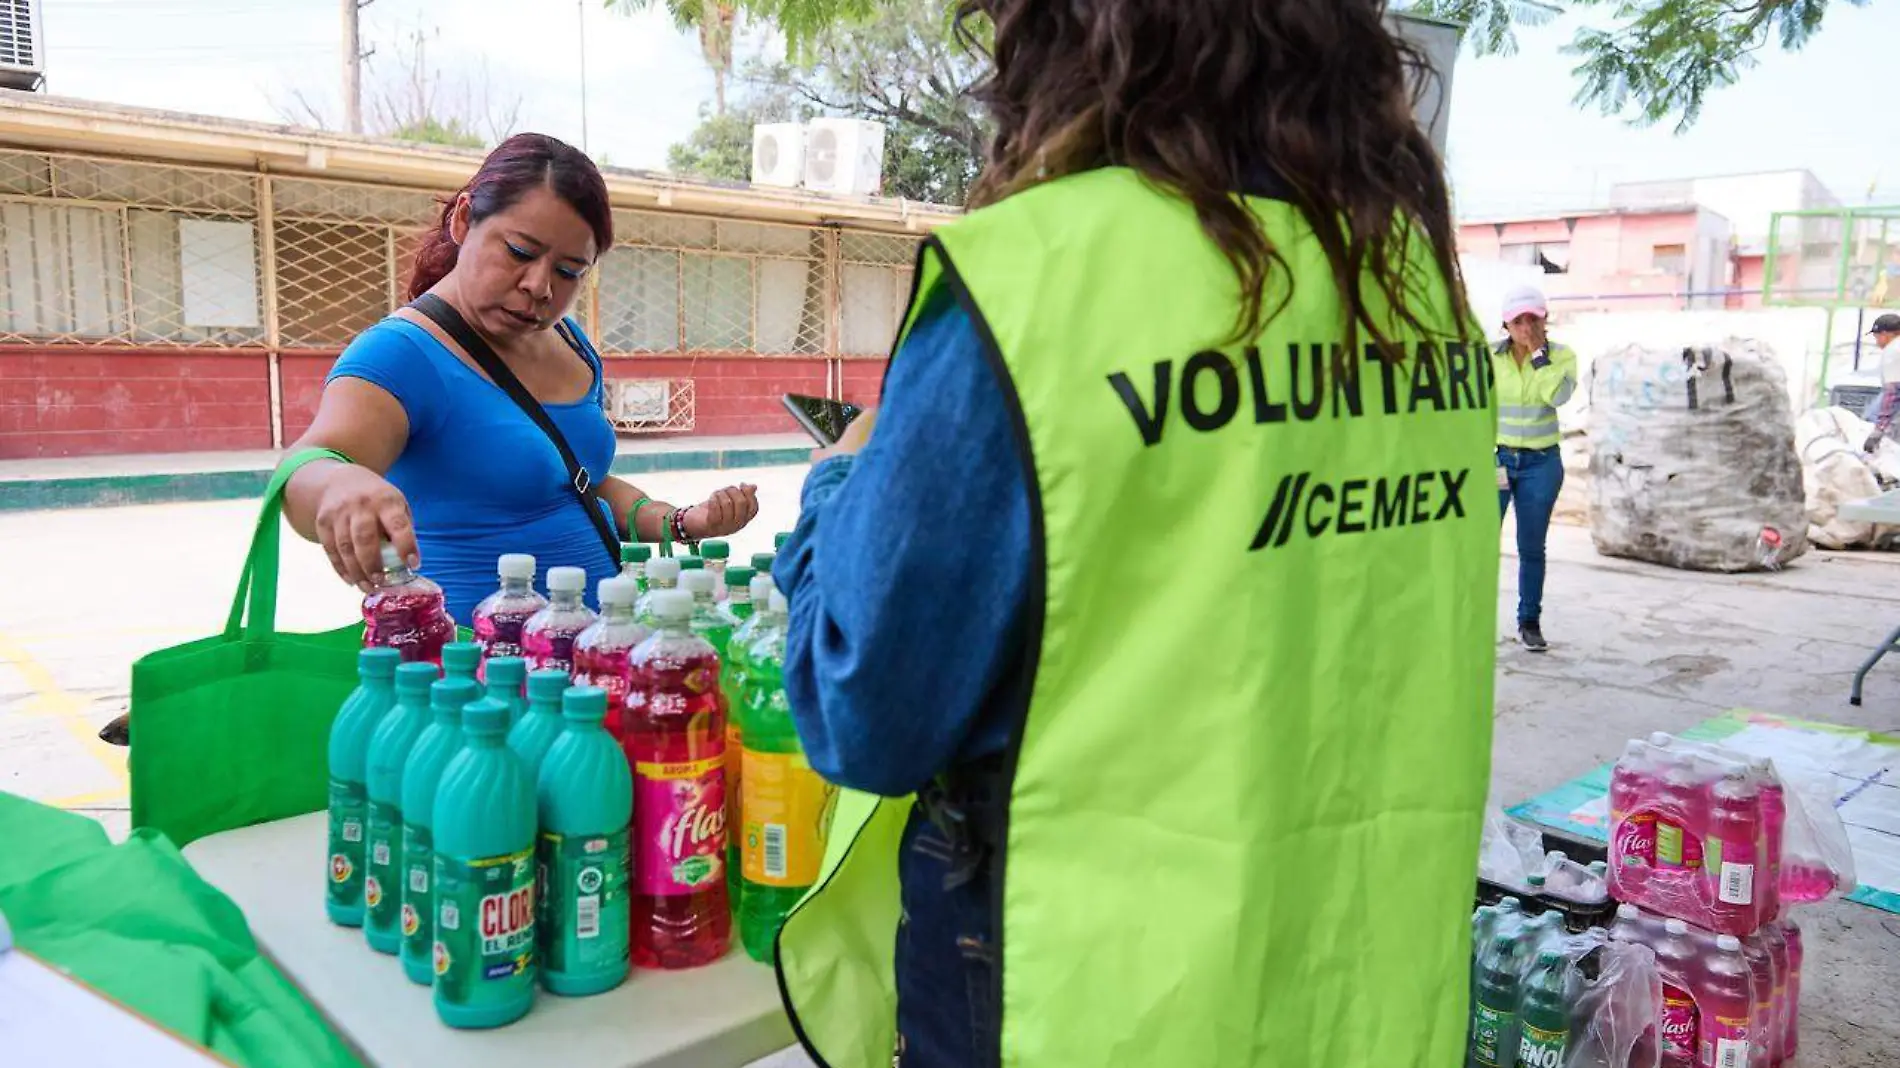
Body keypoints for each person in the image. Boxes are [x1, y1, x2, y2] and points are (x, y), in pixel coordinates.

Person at [769, 3, 1500, 1066]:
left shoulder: (1039, 276)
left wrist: (833, 491)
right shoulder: (1415, 291)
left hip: (1081, 982)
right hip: (1350, 966)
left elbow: (868, 711)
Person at [278, 133, 757, 619]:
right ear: (464, 220)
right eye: (520, 252)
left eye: (569, 271)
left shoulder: (571, 343)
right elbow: (307, 468)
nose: (539, 287)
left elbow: (578, 482)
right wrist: (338, 484)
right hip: (480, 675)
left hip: (600, 654)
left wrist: (681, 521)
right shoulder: (403, 353)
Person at [1492, 284, 1577, 653]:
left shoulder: (1562, 356)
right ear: (1505, 324)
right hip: (1498, 460)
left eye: (1533, 318)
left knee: (1530, 546)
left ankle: (1529, 622)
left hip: (1541, 464)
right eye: (1518, 320)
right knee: (1478, 543)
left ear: (1545, 320)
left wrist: (1539, 357)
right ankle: (1469, 617)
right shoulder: (1488, 358)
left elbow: (1556, 396)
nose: (1526, 327)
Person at [1862, 312, 1900, 454]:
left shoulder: (1894, 351)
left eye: (1877, 337)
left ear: (1885, 334)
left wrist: (1879, 430)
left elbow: (1892, 394)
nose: (1877, 342)